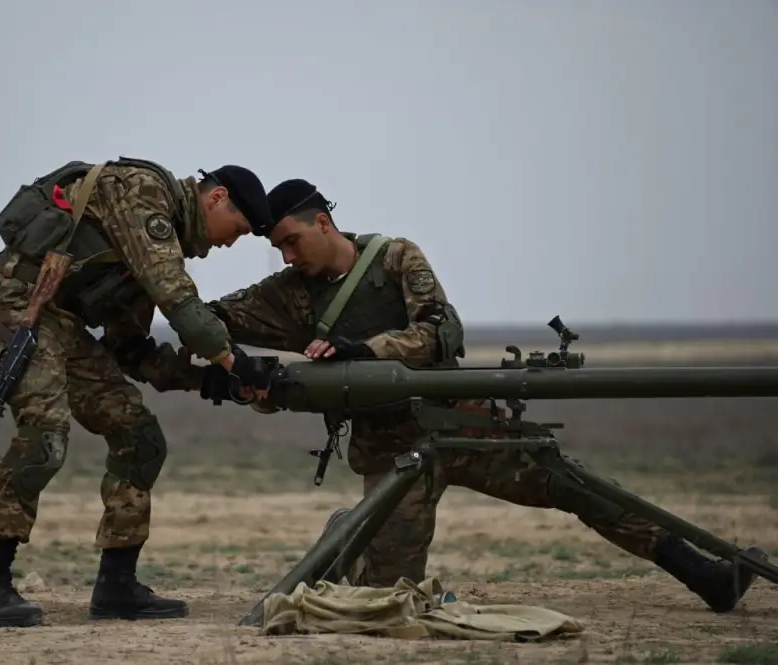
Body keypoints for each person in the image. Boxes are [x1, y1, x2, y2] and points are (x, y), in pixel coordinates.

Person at [183, 177, 767, 615]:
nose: (288, 257)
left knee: (577, 486)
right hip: (390, 454)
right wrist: (211, 359)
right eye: (279, 249)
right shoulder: (289, 293)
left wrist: (364, 351)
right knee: (388, 600)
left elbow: (436, 330)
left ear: (323, 224)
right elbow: (209, 318)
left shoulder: (395, 257)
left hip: (458, 422)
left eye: (291, 241)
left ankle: (704, 575)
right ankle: (348, 532)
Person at [0, 156, 275, 628]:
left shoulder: (152, 249)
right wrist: (232, 359)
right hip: (19, 304)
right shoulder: (146, 193)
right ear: (216, 198)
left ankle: (117, 586)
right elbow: (177, 298)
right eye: (237, 228)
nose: (230, 242)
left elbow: (130, 349)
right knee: (45, 433)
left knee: (139, 436)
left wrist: (210, 380)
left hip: (64, 326)